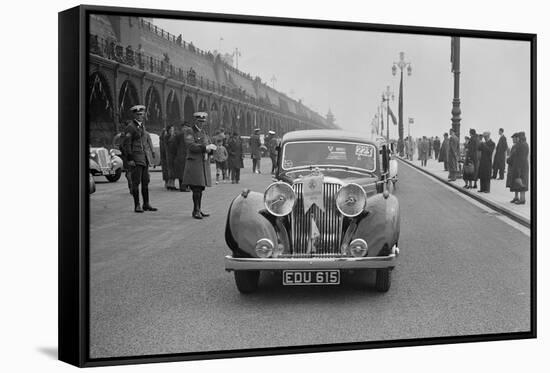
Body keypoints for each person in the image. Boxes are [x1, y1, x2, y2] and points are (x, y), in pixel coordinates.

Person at [122, 105, 157, 213]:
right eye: (138, 114)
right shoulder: (130, 127)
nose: (140, 116)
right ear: (134, 115)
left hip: (144, 158)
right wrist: (130, 158)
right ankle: (137, 205)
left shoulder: (142, 126)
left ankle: (146, 204)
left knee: (145, 181)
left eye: (142, 114)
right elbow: (127, 144)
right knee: (136, 182)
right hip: (136, 158)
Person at [182, 112, 216, 219]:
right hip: (194, 163)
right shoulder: (189, 131)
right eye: (200, 121)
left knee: (200, 188)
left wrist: (212, 149)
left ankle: (198, 209)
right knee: (196, 188)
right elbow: (191, 145)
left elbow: (208, 144)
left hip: (203, 164)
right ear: (196, 121)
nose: (202, 123)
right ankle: (195, 210)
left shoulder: (204, 132)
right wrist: (205, 148)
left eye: (203, 121)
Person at [507, 132, 529, 204]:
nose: (517, 138)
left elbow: (520, 157)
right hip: (522, 166)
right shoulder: (524, 144)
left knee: (522, 183)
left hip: (521, 166)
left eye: (518, 137)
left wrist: (518, 168)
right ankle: (519, 198)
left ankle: (522, 199)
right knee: (520, 182)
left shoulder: (522, 145)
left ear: (520, 137)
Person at [174, 121, 192, 192]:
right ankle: (184, 187)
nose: (185, 129)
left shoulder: (178, 135)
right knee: (184, 172)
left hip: (182, 155)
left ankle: (184, 186)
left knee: (183, 172)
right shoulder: (187, 135)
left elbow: (174, 146)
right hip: (184, 155)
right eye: (184, 127)